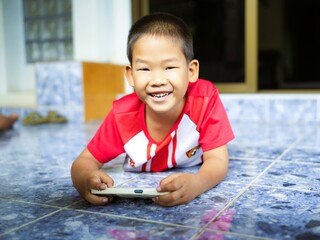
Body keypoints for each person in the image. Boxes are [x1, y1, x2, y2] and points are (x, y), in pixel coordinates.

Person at [71, 12, 235, 207]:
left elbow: (217, 160)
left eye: (169, 67)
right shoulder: (123, 115)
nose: (157, 81)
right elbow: (84, 161)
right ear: (131, 75)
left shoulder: (204, 99)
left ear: (191, 71)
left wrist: (197, 184)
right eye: (145, 69)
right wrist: (85, 179)